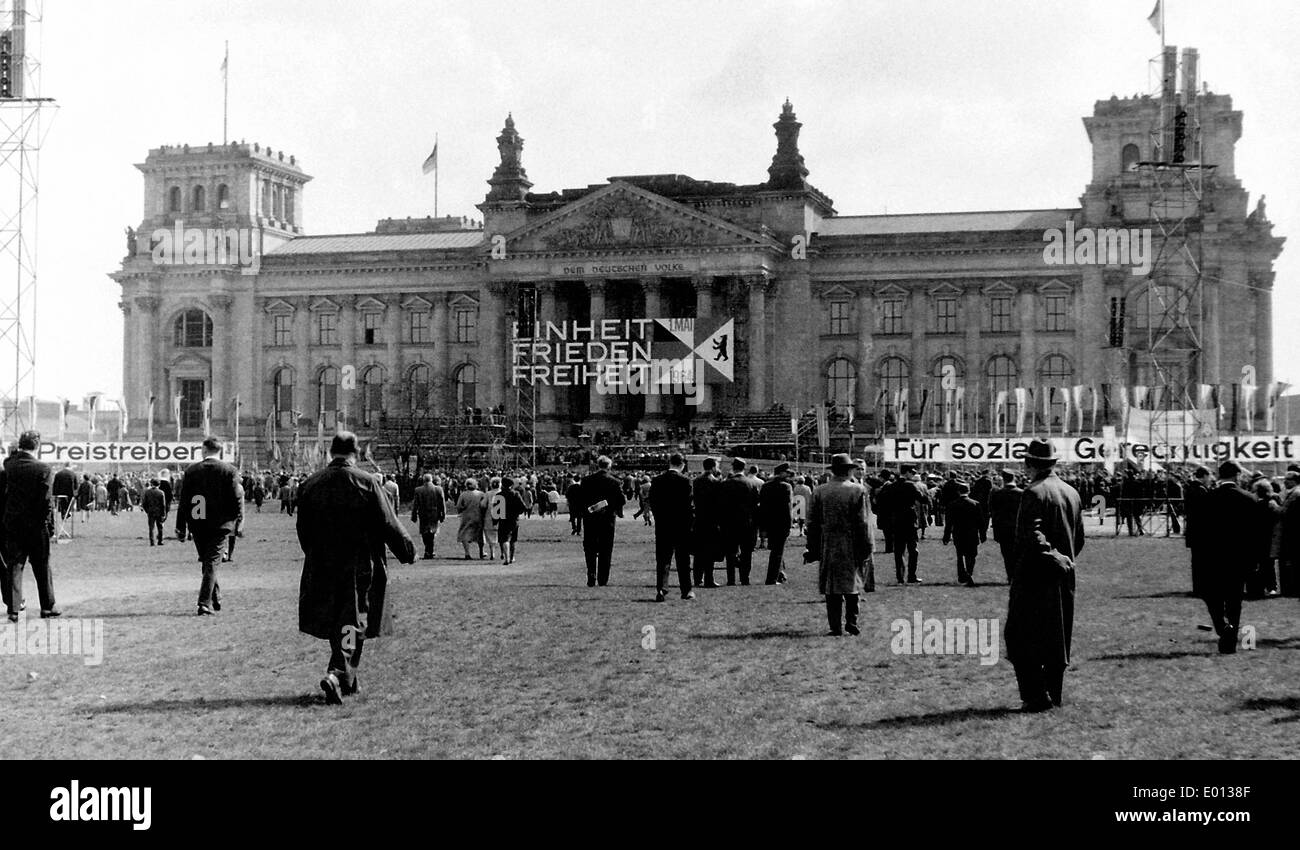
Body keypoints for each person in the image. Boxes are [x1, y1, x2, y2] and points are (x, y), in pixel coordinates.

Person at [296, 432, 415, 705]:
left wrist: (313, 555)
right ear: (356, 452)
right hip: (357, 562)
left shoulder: (311, 484)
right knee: (354, 619)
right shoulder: (367, 482)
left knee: (337, 616)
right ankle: (338, 672)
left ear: (330, 452)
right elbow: (388, 523)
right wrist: (407, 551)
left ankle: (349, 679)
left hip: (321, 562)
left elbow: (303, 529)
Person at [1004, 438, 1084, 712]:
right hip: (1063, 577)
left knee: (1018, 638)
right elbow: (1079, 538)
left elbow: (1032, 536)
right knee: (1056, 638)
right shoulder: (1071, 492)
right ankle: (1053, 694)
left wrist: (1052, 556)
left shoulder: (1033, 492)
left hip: (1034, 577)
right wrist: (1064, 559)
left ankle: (1036, 697)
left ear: (1029, 465)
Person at [804, 453, 874, 636]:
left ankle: (835, 626)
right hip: (851, 542)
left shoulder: (820, 491)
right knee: (852, 582)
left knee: (832, 585)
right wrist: (867, 547)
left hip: (828, 542)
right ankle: (852, 621)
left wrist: (812, 548)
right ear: (849, 470)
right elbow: (863, 523)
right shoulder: (858, 490)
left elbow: (811, 522)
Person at [174, 436, 242, 616]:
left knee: (208, 561)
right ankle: (205, 602)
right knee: (211, 562)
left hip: (198, 523)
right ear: (219, 451)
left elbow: (184, 502)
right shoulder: (229, 470)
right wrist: (236, 520)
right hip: (220, 524)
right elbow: (237, 498)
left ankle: (214, 597)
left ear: (204, 450)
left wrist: (181, 527)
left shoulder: (192, 470)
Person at [0, 430, 59, 622]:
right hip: (36, 525)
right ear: (38, 446)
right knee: (42, 567)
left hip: (13, 524)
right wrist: (49, 526)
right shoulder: (44, 469)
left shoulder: (9, 465)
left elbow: (10, 459)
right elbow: (46, 502)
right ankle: (47, 607)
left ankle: (14, 610)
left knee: (14, 566)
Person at [1201, 461, 1258, 653]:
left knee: (1212, 596)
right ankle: (1229, 641)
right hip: (1239, 558)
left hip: (1213, 557)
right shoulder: (1249, 499)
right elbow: (1254, 534)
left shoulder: (1208, 498)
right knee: (1234, 600)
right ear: (1237, 475)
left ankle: (1221, 626)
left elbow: (1201, 532)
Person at [647, 453, 694, 602]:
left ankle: (662, 588)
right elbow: (689, 506)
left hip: (663, 525)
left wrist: (659, 518)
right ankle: (686, 590)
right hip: (681, 525)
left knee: (663, 559)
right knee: (683, 560)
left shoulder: (657, 480)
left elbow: (653, 502)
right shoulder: (686, 481)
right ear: (682, 465)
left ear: (669, 463)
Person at [579, 456, 625, 587]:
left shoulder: (586, 481)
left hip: (590, 519)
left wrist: (592, 508)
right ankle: (603, 578)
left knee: (590, 548)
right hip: (607, 519)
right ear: (609, 466)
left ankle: (591, 575)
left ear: (597, 465)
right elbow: (621, 500)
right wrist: (608, 506)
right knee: (606, 549)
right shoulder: (614, 482)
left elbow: (581, 499)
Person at [719, 457, 760, 585]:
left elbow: (720, 505)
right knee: (746, 553)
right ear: (744, 468)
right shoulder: (751, 484)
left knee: (730, 553)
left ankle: (731, 579)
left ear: (733, 467)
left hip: (729, 523)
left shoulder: (725, 484)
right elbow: (755, 505)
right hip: (747, 523)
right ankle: (744, 578)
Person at [759, 462, 795, 585]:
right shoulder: (786, 487)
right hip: (781, 523)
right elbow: (788, 508)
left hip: (769, 522)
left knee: (776, 550)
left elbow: (762, 507)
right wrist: (789, 524)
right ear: (782, 473)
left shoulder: (765, 486)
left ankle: (780, 575)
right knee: (778, 552)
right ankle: (772, 578)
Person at [691, 457, 724, 588]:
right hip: (711, 520)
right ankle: (709, 579)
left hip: (699, 519)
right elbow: (718, 503)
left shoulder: (696, 481)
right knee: (709, 552)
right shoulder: (715, 482)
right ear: (712, 467)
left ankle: (697, 579)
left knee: (698, 552)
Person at [942, 480, 983, 587]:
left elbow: (949, 523)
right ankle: (969, 572)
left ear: (958, 492)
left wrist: (946, 536)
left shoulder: (952, 504)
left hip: (958, 533)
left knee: (960, 555)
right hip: (972, 533)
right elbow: (980, 522)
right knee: (972, 555)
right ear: (969, 491)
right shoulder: (976, 504)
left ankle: (961, 575)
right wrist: (982, 535)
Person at [987, 469, 1022, 583]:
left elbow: (992, 510)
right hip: (1018, 528)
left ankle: (1010, 576)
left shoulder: (997, 493)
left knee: (1007, 554)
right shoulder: (1022, 493)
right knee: (1019, 554)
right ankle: (1017, 575)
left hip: (1003, 528)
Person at [1183, 465, 1212, 598]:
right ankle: (1202, 588)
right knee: (1203, 561)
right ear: (1205, 476)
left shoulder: (1191, 488)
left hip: (1193, 530)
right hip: (1202, 531)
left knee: (1197, 561)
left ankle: (1198, 587)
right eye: (1209, 476)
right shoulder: (1201, 490)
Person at [411, 473, 447, 559]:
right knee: (432, 532)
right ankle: (429, 550)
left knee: (424, 532)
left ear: (423, 480)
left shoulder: (418, 490)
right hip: (435, 513)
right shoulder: (438, 489)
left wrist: (414, 515)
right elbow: (442, 504)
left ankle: (428, 550)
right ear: (431, 480)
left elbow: (415, 504)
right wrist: (443, 514)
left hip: (423, 514)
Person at [496, 477, 527, 565]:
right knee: (513, 540)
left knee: (504, 539)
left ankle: (506, 557)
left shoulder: (499, 495)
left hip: (503, 519)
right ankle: (512, 557)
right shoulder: (515, 494)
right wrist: (517, 513)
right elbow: (523, 507)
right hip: (514, 519)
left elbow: (496, 510)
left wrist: (495, 520)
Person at [455, 478, 486, 559]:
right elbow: (484, 505)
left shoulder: (463, 494)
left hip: (467, 516)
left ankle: (467, 553)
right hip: (478, 516)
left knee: (465, 534)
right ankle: (481, 552)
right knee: (480, 535)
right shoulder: (481, 494)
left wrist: (461, 510)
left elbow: (458, 506)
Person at [142, 478, 168, 546]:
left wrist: (147, 510)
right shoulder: (161, 492)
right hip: (159, 511)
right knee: (160, 527)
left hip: (150, 511)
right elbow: (163, 505)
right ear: (158, 485)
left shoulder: (147, 492)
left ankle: (152, 542)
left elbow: (144, 503)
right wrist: (164, 514)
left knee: (151, 527)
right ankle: (160, 541)